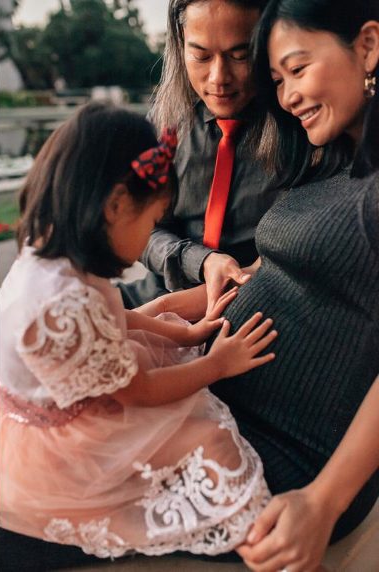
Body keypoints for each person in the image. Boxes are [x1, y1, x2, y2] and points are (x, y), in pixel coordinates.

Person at [0, 103, 278, 559]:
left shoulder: (53, 257)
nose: (150, 236)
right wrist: (216, 364)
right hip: (67, 443)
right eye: (151, 223)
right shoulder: (56, 304)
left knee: (166, 327)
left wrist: (183, 335)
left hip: (78, 390)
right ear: (115, 206)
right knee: (210, 442)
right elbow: (139, 390)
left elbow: (115, 318)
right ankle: (266, 550)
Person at [171, 1, 377, 569]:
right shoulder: (330, 158)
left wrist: (323, 500)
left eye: (297, 68)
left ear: (368, 47)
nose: (285, 96)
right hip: (215, 412)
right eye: (278, 79)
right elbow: (269, 271)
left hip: (287, 458)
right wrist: (155, 317)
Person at [122, 0, 279, 311]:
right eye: (201, 56)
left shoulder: (299, 132)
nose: (219, 78)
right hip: (159, 291)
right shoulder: (164, 124)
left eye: (240, 55)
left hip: (250, 304)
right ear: (180, 46)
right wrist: (201, 261)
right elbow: (140, 229)